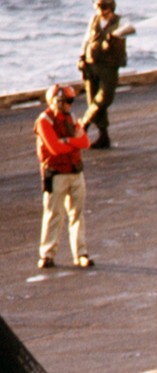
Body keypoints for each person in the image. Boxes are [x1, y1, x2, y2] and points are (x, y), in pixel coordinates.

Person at [35, 84, 93, 271]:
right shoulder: (44, 122)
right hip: (57, 174)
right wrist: (73, 143)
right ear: (55, 101)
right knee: (54, 215)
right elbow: (54, 148)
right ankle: (47, 254)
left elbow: (85, 142)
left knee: (77, 215)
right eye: (67, 100)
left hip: (75, 172)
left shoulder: (71, 118)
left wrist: (67, 141)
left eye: (71, 100)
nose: (70, 104)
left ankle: (81, 254)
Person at [80, 0, 132, 149]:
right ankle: (104, 135)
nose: (99, 10)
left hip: (109, 66)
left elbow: (130, 28)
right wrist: (81, 57)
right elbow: (86, 40)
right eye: (97, 6)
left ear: (110, 7)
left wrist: (115, 35)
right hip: (91, 64)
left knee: (104, 98)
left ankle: (84, 123)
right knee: (92, 100)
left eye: (102, 6)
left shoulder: (120, 20)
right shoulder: (94, 20)